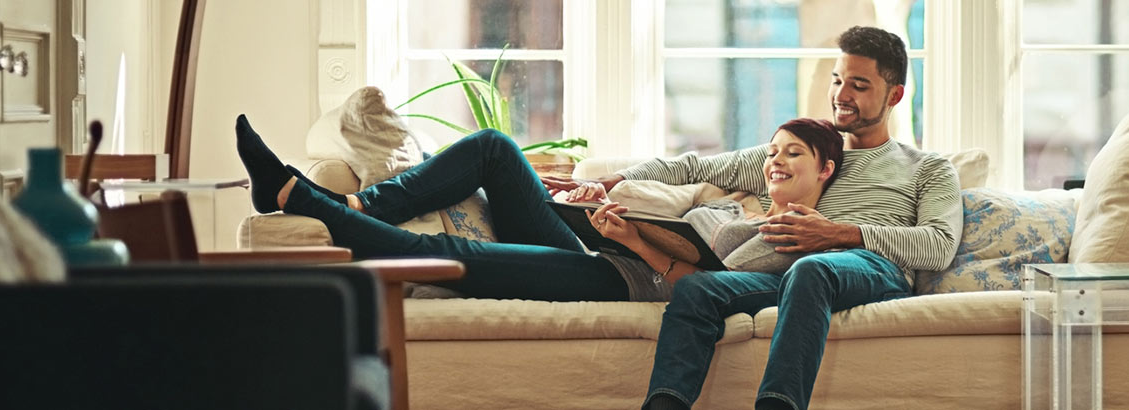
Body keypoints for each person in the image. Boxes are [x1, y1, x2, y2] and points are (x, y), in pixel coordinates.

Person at [634, 26, 963, 410]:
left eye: (858, 85)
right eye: (837, 80)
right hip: (790, 274)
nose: (841, 95)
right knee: (699, 288)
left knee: (812, 270)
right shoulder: (805, 150)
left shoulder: (927, 167)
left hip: (873, 270)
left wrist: (838, 233)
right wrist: (613, 180)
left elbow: (939, 245)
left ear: (895, 95)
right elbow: (693, 167)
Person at [233, 114, 843, 303]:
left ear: (826, 170)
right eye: (774, 152)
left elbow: (703, 288)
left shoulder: (796, 239)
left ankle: (300, 198)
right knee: (496, 150)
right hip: (599, 245)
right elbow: (685, 167)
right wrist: (594, 194)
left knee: (457, 255)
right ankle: (356, 200)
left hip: (620, 279)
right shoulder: (746, 201)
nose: (776, 161)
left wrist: (632, 242)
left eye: (794, 155)